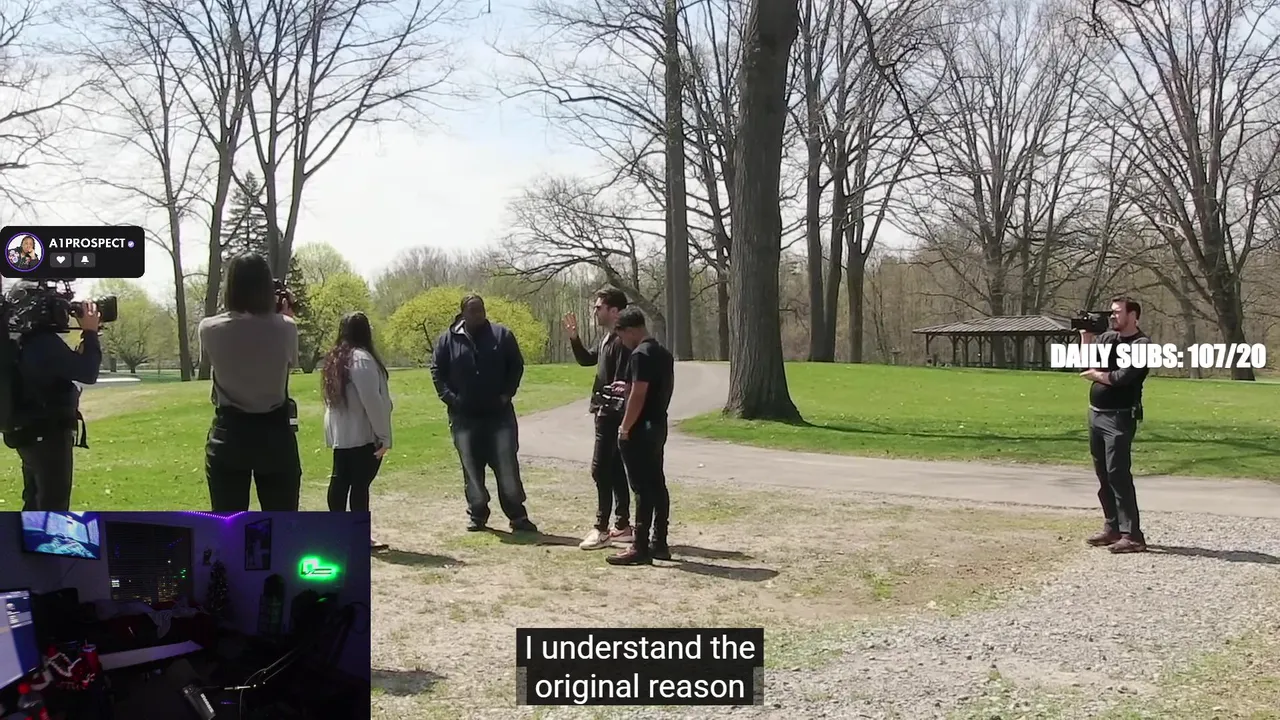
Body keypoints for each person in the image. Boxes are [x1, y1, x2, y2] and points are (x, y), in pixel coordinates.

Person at [198, 253, 302, 511]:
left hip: (229, 434)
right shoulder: (287, 327)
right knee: (281, 523)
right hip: (275, 434)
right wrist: (283, 317)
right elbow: (289, 364)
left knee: (228, 524)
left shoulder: (208, 328)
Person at [430, 294, 538, 533]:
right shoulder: (448, 340)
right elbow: (437, 371)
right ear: (463, 313)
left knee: (507, 466)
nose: (478, 314)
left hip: (499, 416)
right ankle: (477, 514)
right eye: (473, 311)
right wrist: (451, 398)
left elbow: (516, 366)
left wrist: (506, 394)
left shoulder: (502, 335)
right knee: (471, 467)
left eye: (481, 309)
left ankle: (517, 516)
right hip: (464, 418)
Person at [2, 282, 101, 510]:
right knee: (53, 504)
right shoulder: (43, 343)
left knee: (34, 498)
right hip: (48, 434)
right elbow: (88, 372)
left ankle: (28, 532)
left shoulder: (19, 341)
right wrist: (90, 332)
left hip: (26, 433)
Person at [1078, 296, 1151, 554]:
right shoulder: (1108, 339)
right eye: (1112, 312)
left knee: (1118, 474)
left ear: (1133, 316)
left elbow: (1121, 378)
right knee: (1103, 474)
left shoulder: (1142, 345)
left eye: (1118, 312)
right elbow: (1087, 362)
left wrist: (1096, 375)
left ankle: (1133, 535)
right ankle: (1113, 528)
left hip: (1120, 416)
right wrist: (1086, 337)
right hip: (1096, 415)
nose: (1112, 316)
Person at [564, 287, 634, 551]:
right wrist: (574, 339)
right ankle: (623, 525)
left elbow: (621, 384)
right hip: (604, 412)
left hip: (611, 414)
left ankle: (602, 528)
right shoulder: (607, 338)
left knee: (600, 469)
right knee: (614, 469)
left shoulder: (622, 342)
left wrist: (611, 411)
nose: (595, 311)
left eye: (598, 307)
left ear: (614, 311)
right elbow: (587, 360)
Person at [605, 307, 675, 566]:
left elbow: (639, 393)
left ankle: (640, 546)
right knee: (657, 483)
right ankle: (660, 541)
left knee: (641, 488)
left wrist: (625, 427)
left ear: (632, 330)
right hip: (658, 423)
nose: (623, 342)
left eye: (622, 336)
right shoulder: (663, 354)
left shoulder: (640, 355)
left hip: (640, 427)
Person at [321, 311, 393, 550]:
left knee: (341, 481)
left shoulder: (335, 358)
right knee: (359, 485)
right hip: (361, 432)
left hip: (342, 433)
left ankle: (338, 532)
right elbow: (372, 400)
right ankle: (358, 535)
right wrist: (384, 435)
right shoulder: (361, 359)